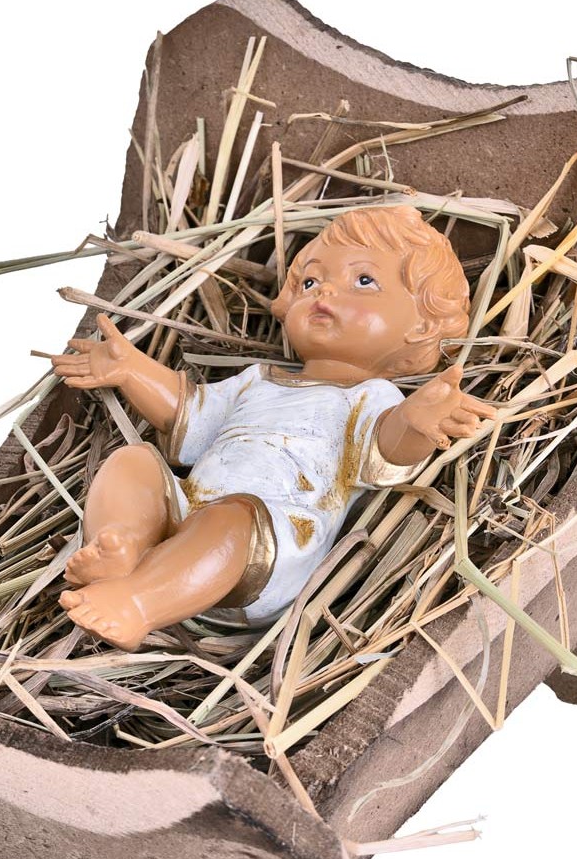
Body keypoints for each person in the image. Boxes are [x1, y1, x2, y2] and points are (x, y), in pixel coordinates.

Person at [53, 203, 495, 649]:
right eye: (310, 282)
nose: (325, 291)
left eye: (363, 281)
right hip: (187, 515)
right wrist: (132, 370)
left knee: (229, 519)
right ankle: (124, 548)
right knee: (132, 462)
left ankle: (136, 604)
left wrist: (417, 422)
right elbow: (189, 413)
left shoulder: (371, 397)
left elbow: (387, 450)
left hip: (269, 543)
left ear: (421, 325)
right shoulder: (257, 380)